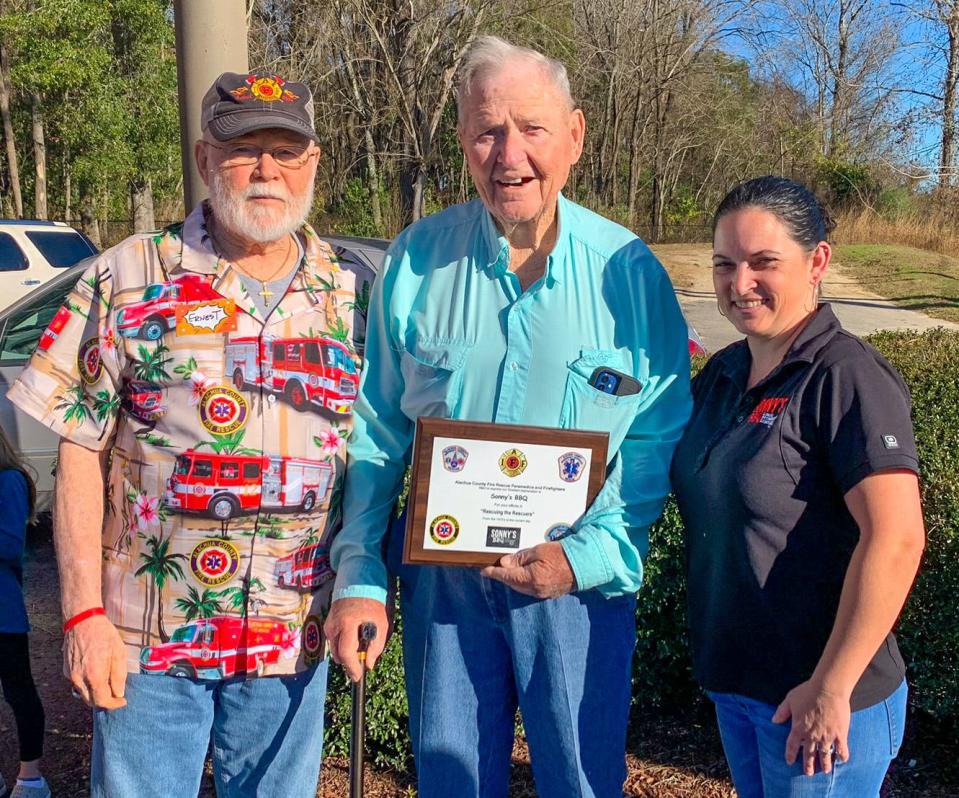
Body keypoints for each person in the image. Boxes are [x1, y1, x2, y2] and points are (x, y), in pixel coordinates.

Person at [324, 36, 692, 798]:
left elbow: (656, 435)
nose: (508, 153)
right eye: (487, 130)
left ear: (576, 135)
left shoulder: (628, 272)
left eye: (530, 128)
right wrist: (358, 569)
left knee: (582, 784)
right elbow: (377, 430)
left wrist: (584, 555)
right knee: (451, 780)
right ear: (463, 140)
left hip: (578, 581)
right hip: (443, 581)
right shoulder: (416, 260)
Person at [7, 70, 374, 797]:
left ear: (313, 163)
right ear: (206, 160)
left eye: (284, 149)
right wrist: (81, 614)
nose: (265, 168)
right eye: (243, 150)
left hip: (290, 634)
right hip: (147, 638)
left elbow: (376, 455)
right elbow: (77, 446)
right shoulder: (126, 276)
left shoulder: (352, 295)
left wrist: (363, 586)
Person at [670, 176, 925, 797]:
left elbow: (896, 539)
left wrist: (831, 687)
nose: (739, 283)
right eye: (724, 264)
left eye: (764, 262)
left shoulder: (846, 377)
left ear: (817, 263)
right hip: (738, 684)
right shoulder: (724, 374)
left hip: (820, 699)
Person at [0, 428, 49, 798]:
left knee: (19, 693)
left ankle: (31, 778)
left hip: (4, 613)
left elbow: (10, 543)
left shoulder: (10, 480)